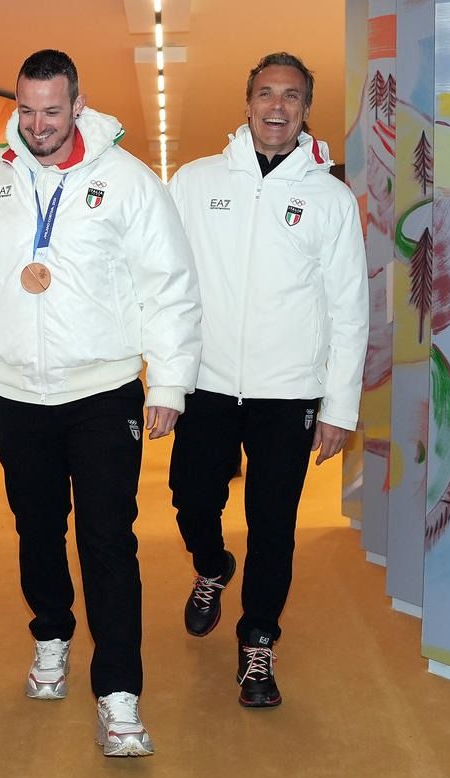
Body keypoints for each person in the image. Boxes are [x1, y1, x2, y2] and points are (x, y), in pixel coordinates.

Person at [0, 49, 200, 756]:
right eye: (27, 111)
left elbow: (170, 283)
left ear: (78, 105)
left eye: (52, 111)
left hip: (102, 388)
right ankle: (52, 635)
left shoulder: (127, 181)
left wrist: (168, 382)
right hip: (16, 390)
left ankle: (118, 694)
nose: (38, 124)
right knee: (37, 528)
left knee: (108, 538)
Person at [166, 53, 368, 708]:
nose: (277, 106)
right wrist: (166, 377)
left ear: (306, 109)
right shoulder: (195, 183)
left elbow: (349, 309)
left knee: (273, 522)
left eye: (291, 96)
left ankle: (258, 642)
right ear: (247, 101)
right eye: (266, 93)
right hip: (207, 380)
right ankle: (211, 566)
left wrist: (338, 406)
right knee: (192, 499)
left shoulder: (330, 199)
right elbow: (164, 281)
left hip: (289, 392)